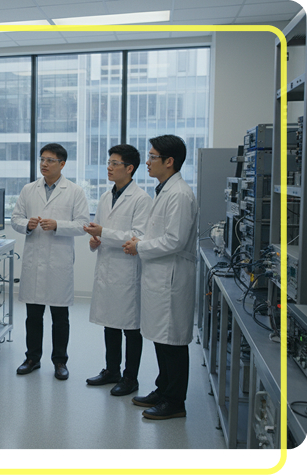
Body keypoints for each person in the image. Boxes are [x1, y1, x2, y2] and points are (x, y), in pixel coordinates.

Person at [122, 135, 198, 420]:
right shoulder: (165, 189)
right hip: (159, 276)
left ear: (169, 161)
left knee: (172, 342)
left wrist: (140, 246)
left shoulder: (179, 194)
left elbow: (174, 240)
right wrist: (140, 241)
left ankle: (175, 401)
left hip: (171, 278)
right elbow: (160, 233)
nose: (148, 162)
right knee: (160, 338)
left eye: (153, 157)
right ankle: (163, 389)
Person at [10, 143, 90, 380]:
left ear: (62, 164)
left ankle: (60, 361)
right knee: (33, 316)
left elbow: (83, 225)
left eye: (50, 160)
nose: (44, 164)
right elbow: (15, 218)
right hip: (35, 260)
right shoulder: (29, 189)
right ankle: (32, 358)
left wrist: (58, 225)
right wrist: (27, 224)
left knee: (60, 317)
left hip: (59, 262)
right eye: (42, 159)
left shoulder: (75, 191)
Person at [83, 144, 152, 397]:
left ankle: (130, 378)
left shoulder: (142, 199)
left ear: (129, 168)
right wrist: (95, 240)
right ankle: (111, 371)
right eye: (109, 163)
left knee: (131, 327)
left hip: (127, 271)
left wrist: (103, 232)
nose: (109, 168)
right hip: (107, 268)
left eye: (115, 163)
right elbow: (101, 231)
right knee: (109, 323)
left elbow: (138, 236)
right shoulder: (105, 196)